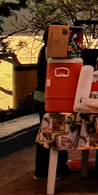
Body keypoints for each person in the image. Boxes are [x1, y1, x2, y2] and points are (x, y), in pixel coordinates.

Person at [33, 27, 68, 180]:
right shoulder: (49, 51)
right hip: (45, 97)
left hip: (51, 97)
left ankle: (60, 166)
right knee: (48, 133)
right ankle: (42, 170)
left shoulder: (48, 50)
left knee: (56, 131)